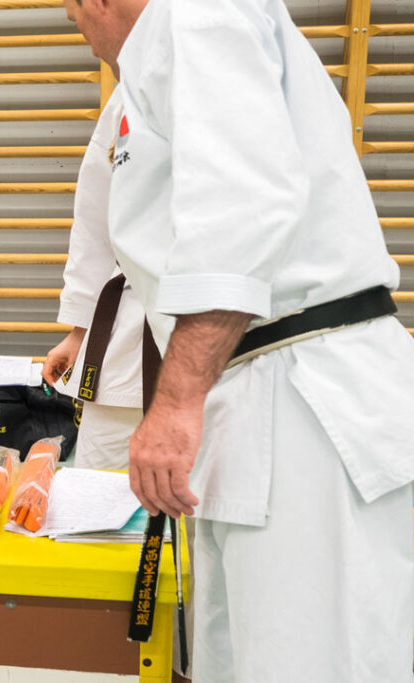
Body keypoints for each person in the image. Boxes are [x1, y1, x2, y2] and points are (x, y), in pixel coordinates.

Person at [63, 0, 414, 681]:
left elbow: (247, 202)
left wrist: (174, 402)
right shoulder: (154, 60)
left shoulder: (196, 14)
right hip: (257, 392)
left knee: (312, 660)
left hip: (304, 399)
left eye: (72, 12)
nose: (75, 27)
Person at [43, 84, 145, 470]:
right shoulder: (129, 94)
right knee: (96, 495)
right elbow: (95, 221)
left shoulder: (238, 70)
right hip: (126, 342)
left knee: (202, 509)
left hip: (221, 346)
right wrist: (79, 331)